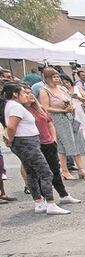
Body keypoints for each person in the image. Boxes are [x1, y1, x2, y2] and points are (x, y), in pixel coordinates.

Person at [2, 83, 70, 214]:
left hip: (27, 141)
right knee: (46, 172)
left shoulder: (12, 106)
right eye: (24, 93)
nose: (27, 95)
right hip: (26, 142)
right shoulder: (15, 106)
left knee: (32, 172)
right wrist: (10, 140)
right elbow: (11, 127)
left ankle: (39, 202)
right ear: (15, 94)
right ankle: (50, 203)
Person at [25, 95, 82, 205]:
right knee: (40, 172)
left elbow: (49, 122)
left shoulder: (39, 108)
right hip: (36, 144)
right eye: (26, 93)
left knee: (55, 169)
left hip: (49, 142)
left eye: (30, 93)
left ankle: (63, 194)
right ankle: (44, 199)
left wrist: (53, 139)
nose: (30, 95)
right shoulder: (24, 111)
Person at [37, 68, 85, 180]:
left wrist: (70, 107)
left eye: (57, 76)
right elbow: (45, 108)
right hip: (57, 119)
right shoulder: (44, 91)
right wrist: (62, 110)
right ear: (47, 78)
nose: (57, 79)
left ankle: (80, 169)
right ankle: (66, 170)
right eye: (54, 76)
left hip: (70, 117)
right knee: (64, 144)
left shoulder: (62, 88)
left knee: (75, 141)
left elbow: (70, 100)